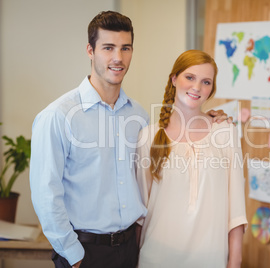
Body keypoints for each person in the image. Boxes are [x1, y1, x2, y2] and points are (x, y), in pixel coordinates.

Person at [30, 11, 229, 268]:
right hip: (85, 252)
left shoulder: (138, 116)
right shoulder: (58, 116)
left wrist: (208, 118)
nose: (118, 58)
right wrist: (73, 255)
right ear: (90, 50)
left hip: (130, 249)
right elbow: (46, 194)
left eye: (125, 48)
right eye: (108, 48)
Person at [135, 49, 247, 268]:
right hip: (156, 258)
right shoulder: (148, 136)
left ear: (211, 89)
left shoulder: (225, 132)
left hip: (210, 260)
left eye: (206, 82)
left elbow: (236, 210)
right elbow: (140, 213)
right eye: (190, 77)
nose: (197, 87)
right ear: (174, 79)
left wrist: (235, 261)